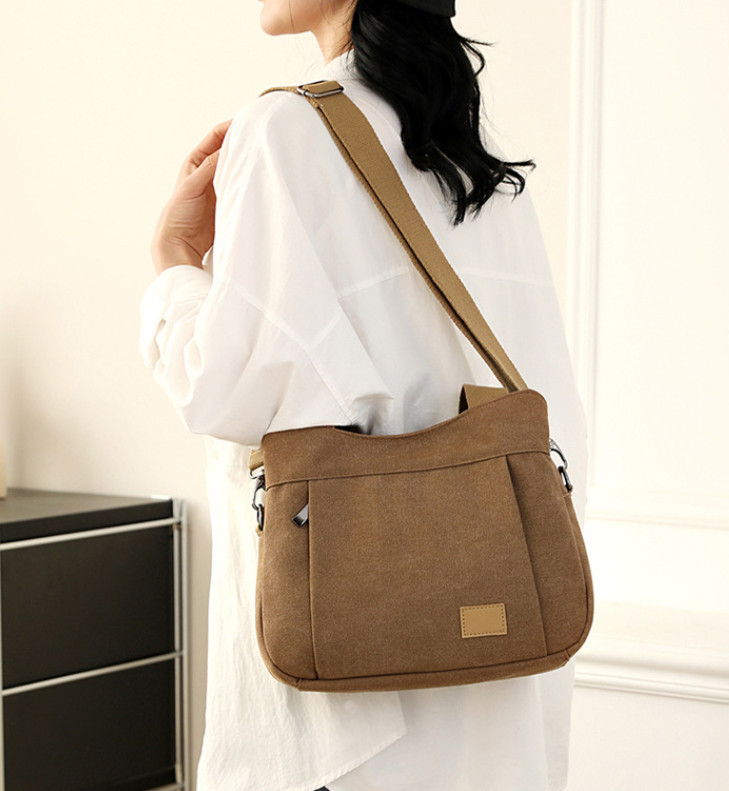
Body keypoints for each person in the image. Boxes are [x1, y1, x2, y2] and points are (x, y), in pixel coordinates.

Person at [139, 0, 589, 789]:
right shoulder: (474, 151)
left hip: (351, 693)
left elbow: (226, 389)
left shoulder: (286, 129)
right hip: (498, 655)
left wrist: (175, 261)